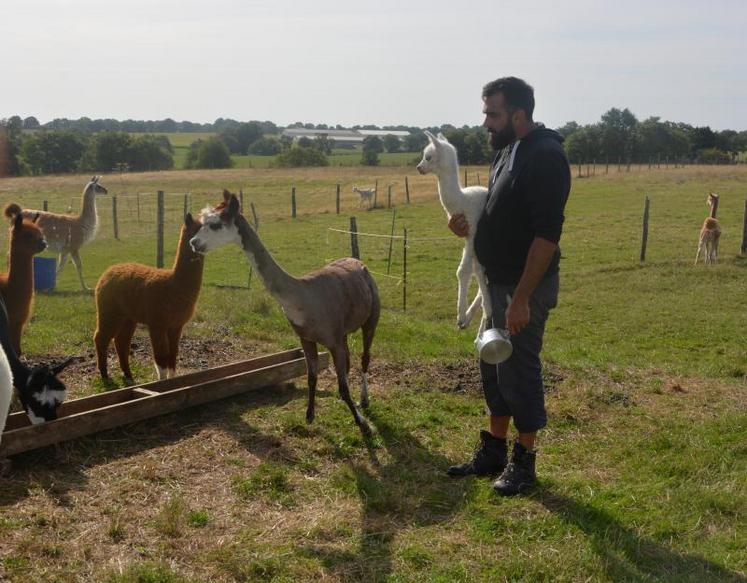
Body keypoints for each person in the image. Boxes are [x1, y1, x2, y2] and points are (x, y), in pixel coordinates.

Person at [446, 77, 571, 496]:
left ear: (518, 115)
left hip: (524, 289)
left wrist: (520, 298)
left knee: (519, 370)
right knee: (492, 365)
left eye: (492, 114)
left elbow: (546, 236)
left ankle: (525, 462)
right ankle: (494, 450)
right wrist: (464, 226)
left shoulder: (545, 156)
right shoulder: (506, 152)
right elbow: (500, 213)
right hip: (495, 284)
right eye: (485, 112)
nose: (485, 122)